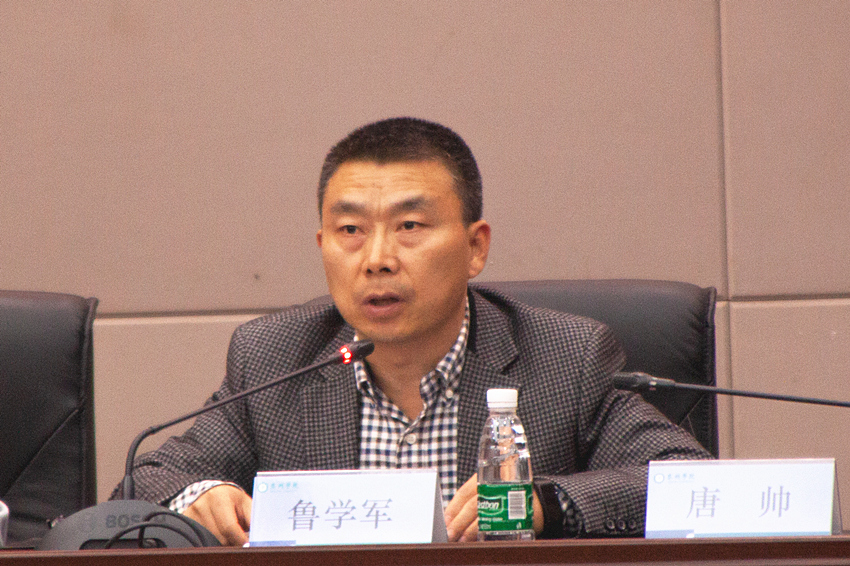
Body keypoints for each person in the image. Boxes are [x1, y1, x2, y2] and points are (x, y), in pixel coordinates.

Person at [123, 117, 710, 546]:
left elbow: (687, 482)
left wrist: (547, 504)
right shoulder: (276, 359)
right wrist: (197, 497)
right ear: (322, 245)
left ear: (475, 247)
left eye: (409, 226)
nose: (377, 259)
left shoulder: (563, 359)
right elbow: (142, 480)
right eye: (350, 230)